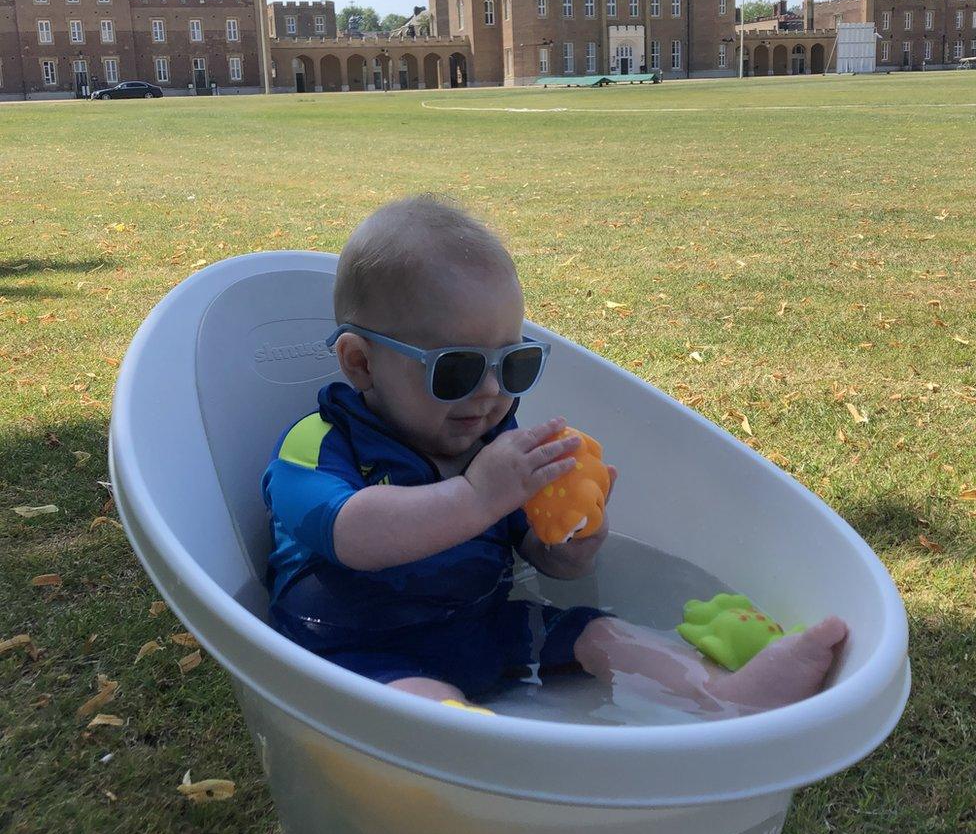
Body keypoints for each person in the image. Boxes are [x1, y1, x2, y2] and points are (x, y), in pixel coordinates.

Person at [262, 196, 847, 717]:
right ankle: (470, 765)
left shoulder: (493, 446)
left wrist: (569, 545)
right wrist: (476, 497)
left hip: (484, 626)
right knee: (423, 707)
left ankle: (724, 693)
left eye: (513, 365)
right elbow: (353, 535)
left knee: (602, 634)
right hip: (356, 650)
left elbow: (542, 559)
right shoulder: (319, 445)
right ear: (361, 363)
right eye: (457, 369)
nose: (491, 391)